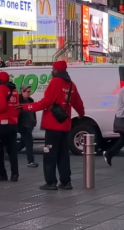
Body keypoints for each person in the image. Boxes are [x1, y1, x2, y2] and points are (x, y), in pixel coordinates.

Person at [23, 61, 85, 190]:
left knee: (49, 155)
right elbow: (78, 103)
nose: (52, 70)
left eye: (53, 68)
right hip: (65, 125)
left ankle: (51, 182)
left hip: (53, 126)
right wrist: (81, 114)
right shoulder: (71, 85)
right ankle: (66, 182)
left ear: (56, 70)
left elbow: (45, 102)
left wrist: (26, 107)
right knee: (63, 155)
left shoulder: (54, 82)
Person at [0, 72, 21, 182]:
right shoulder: (14, 90)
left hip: (1, 123)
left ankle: (2, 174)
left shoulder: (1, 89)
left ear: (1, 80)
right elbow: (17, 107)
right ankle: (15, 174)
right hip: (12, 123)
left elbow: (2, 105)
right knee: (12, 150)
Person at [18, 86, 38, 168]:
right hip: (23, 125)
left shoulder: (30, 100)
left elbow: (33, 111)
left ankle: (8, 151)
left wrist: (34, 120)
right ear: (22, 92)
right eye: (27, 91)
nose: (29, 93)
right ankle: (31, 161)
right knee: (29, 142)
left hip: (29, 124)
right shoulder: (19, 101)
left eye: (30, 91)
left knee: (23, 143)